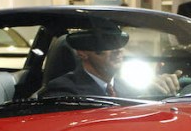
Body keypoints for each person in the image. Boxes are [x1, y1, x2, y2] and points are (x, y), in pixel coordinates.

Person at [43, 26, 180, 98]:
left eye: (119, 43)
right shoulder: (62, 91)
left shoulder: (129, 88)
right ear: (82, 53)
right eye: (106, 44)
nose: (118, 50)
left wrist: (155, 94)